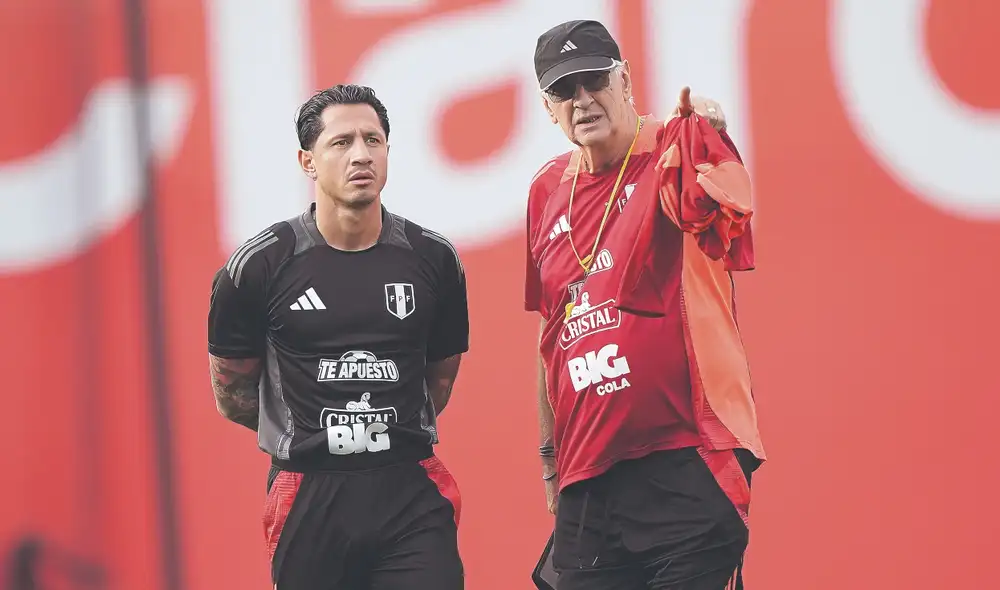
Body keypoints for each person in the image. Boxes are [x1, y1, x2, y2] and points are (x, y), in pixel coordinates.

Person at [525, 20, 766, 590]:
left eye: (594, 80)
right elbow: (552, 335)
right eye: (564, 89)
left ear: (626, 80)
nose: (582, 99)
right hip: (589, 477)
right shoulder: (546, 191)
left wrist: (710, 130)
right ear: (547, 107)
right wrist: (550, 456)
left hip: (687, 456)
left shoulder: (675, 149)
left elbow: (722, 202)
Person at [207, 84, 468, 589]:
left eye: (373, 140)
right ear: (307, 161)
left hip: (409, 489)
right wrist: (313, 436)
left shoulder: (434, 259)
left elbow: (439, 379)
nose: (361, 155)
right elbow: (233, 394)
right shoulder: (258, 266)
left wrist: (378, 434)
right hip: (308, 494)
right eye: (342, 142)